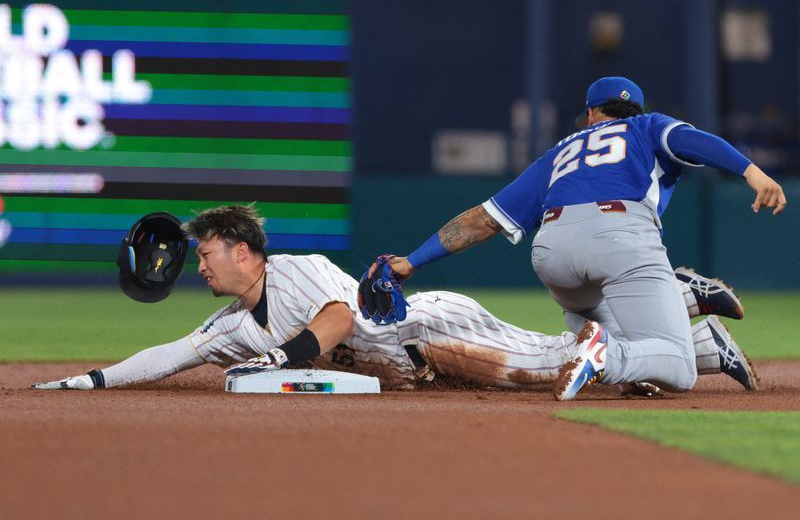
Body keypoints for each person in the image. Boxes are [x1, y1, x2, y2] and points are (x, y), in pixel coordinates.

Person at [33, 204, 753, 393]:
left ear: (244, 249)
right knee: (554, 365)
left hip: (431, 322)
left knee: (556, 365)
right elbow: (172, 354)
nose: (201, 262)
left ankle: (692, 332)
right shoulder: (230, 323)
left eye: (209, 250)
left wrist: (277, 363)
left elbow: (339, 319)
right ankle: (683, 328)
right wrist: (90, 379)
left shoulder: (294, 270)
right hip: (420, 361)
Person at [366, 76, 784, 401]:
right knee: (677, 368)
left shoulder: (560, 153)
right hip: (621, 239)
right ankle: (624, 345)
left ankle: (702, 343)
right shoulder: (646, 126)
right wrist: (752, 171)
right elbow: (693, 141)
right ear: (634, 110)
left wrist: (411, 262)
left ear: (590, 114)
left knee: (606, 323)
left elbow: (483, 221)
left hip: (553, 254)